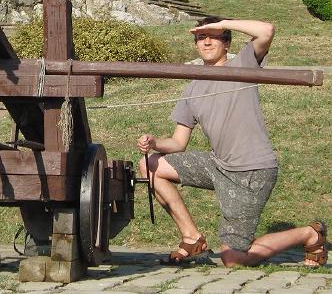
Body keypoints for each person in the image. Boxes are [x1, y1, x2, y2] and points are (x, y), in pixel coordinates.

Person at [137, 17, 328, 267]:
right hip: (218, 166)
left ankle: (310, 234)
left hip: (253, 172)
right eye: (201, 37)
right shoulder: (192, 87)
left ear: (226, 43)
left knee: (233, 259)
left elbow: (267, 30)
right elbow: (178, 142)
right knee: (150, 165)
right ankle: (192, 239)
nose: (206, 42)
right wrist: (154, 143)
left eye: (213, 36)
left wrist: (224, 22)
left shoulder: (243, 64)